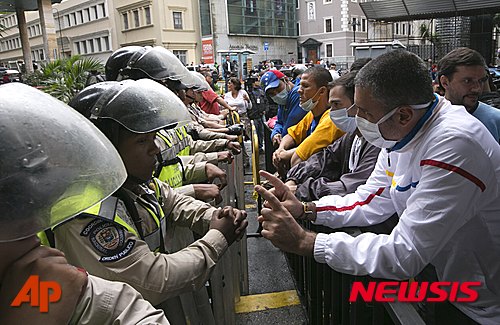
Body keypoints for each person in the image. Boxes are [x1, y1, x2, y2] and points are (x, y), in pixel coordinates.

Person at [255, 50, 500, 324]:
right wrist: (307, 209)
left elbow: (404, 253)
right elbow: (370, 199)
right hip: (452, 285)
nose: (356, 118)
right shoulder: (403, 133)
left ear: (403, 115)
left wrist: (308, 242)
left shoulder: (454, 144)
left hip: (483, 304)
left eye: (365, 112)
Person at [53, 79, 248, 324]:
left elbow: (172, 200)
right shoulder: (85, 216)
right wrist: (217, 239)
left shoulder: (131, 182)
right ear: (106, 149)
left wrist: (214, 217)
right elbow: (153, 279)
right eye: (142, 141)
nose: (155, 149)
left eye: (153, 137)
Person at [0, 83, 169, 324]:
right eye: (16, 225)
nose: (38, 241)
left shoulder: (34, 289)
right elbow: (153, 279)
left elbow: (125, 309)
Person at [285, 70, 380, 201]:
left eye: (337, 104)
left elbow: (350, 186)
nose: (332, 112)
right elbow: (325, 158)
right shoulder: (352, 137)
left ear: (358, 104)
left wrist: (300, 191)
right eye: (331, 105)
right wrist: (294, 179)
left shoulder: (377, 144)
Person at [272, 66, 344, 176]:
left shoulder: (331, 120)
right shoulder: (311, 114)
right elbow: (292, 134)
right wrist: (281, 148)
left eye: (305, 86)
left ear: (322, 91)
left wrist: (281, 155)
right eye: (300, 85)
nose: (299, 90)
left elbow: (299, 156)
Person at [438, 47, 500, 142]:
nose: (477, 88)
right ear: (445, 82)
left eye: (481, 81)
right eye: (467, 81)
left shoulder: (496, 120)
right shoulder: (428, 118)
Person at [261, 70, 304, 148]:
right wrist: (275, 134)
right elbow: (279, 121)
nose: (277, 94)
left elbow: (290, 125)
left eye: (277, 88)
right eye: (271, 93)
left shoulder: (297, 94)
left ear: (286, 80)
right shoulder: (284, 101)